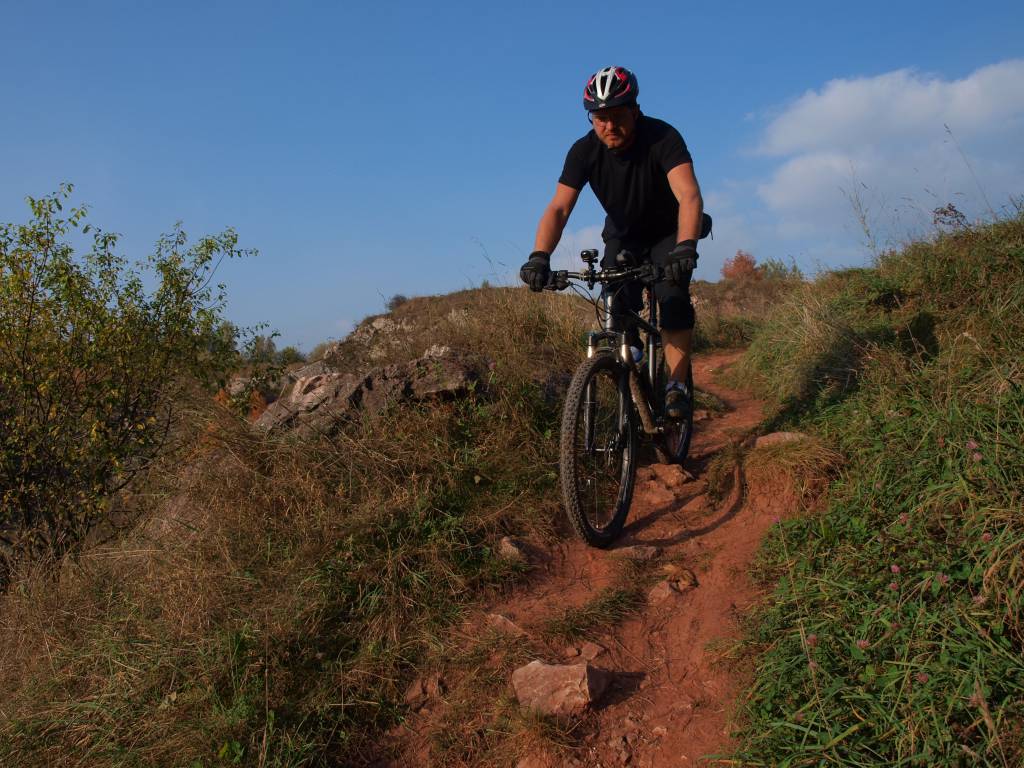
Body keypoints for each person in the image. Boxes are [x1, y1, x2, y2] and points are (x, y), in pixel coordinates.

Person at [520, 65, 704, 420]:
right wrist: (539, 256)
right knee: (615, 305)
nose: (608, 125)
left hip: (669, 233)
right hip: (623, 235)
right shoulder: (584, 151)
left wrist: (686, 247)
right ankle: (633, 373)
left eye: (617, 116)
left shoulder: (663, 137)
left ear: (635, 110)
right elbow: (559, 208)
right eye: (599, 118)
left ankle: (676, 385)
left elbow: (689, 196)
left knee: (673, 297)